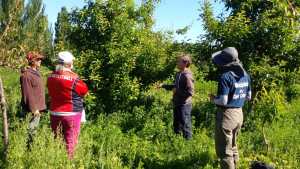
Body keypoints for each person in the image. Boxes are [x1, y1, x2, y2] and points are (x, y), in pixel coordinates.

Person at [209, 47, 251, 169]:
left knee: (224, 150)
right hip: (239, 114)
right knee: (233, 145)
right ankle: (236, 166)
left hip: (227, 115)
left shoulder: (225, 76)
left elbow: (223, 101)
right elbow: (248, 96)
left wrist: (213, 99)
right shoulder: (245, 75)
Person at [47, 51, 88, 158]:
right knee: (71, 141)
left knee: (57, 140)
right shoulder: (74, 78)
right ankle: (68, 163)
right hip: (71, 113)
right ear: (69, 64)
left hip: (54, 112)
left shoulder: (50, 76)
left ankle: (56, 160)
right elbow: (84, 90)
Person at [159, 53, 194, 139]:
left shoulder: (187, 76)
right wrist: (163, 85)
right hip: (177, 103)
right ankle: (176, 143)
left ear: (185, 63)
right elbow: (175, 86)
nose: (177, 63)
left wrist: (177, 91)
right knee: (177, 125)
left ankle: (188, 145)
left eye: (179, 61)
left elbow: (190, 92)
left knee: (185, 125)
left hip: (184, 105)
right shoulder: (179, 73)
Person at [20, 51, 46, 148]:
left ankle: (31, 149)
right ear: (32, 61)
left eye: (40, 59)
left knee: (33, 131)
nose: (40, 61)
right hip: (32, 110)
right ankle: (29, 152)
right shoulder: (26, 75)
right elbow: (27, 94)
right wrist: (34, 109)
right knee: (30, 132)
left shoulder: (36, 73)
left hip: (37, 109)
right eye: (38, 59)